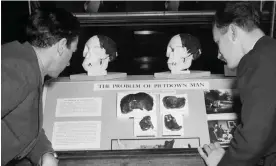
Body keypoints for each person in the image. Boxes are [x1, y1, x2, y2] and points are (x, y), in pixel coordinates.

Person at [198, 2, 276, 166]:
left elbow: (254, 136)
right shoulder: (270, 50)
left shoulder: (256, 62)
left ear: (233, 32)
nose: (219, 54)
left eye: (218, 42)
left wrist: (223, 162)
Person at [1, 7, 80, 166]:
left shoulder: (25, 62)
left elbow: (20, 124)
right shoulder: (19, 71)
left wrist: (44, 153)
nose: (70, 62)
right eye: (72, 52)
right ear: (61, 45)